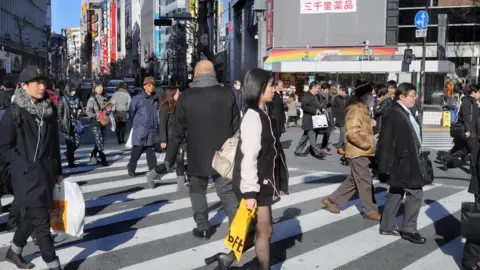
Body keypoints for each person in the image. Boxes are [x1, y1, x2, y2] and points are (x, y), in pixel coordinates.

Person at [204, 68, 289, 270]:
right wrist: (250, 192)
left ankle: (228, 258)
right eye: (270, 85)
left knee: (262, 229)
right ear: (259, 88)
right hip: (255, 184)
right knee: (264, 230)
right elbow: (249, 158)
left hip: (262, 182)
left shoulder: (263, 113)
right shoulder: (253, 117)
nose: (274, 89)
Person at [152, 60, 240, 239]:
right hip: (223, 155)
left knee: (197, 190)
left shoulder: (186, 96)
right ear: (214, 73)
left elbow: (177, 131)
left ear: (196, 75)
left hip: (196, 154)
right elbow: (236, 127)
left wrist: (169, 159)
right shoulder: (227, 94)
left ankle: (203, 226)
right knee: (227, 192)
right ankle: (238, 230)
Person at [0, 65, 62, 269]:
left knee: (33, 215)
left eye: (43, 82)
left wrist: (59, 172)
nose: (42, 86)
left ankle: (14, 251)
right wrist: (23, 164)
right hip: (25, 176)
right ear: (24, 86)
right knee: (42, 223)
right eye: (37, 83)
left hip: (47, 173)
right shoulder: (15, 111)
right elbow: (4, 146)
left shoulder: (49, 111)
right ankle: (53, 263)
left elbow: (54, 145)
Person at [323, 82, 381, 221]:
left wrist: (369, 122)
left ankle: (332, 200)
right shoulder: (355, 109)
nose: (373, 97)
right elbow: (352, 133)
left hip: (361, 150)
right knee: (365, 181)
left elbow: (359, 127)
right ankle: (370, 211)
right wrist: (366, 144)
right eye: (370, 94)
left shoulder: (361, 108)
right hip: (358, 150)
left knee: (355, 180)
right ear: (364, 96)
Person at [377, 82, 427, 244]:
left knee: (396, 191)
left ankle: (386, 225)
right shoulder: (393, 113)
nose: (415, 98)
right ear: (402, 96)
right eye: (412, 95)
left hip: (407, 160)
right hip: (403, 162)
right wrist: (384, 166)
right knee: (416, 193)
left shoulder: (406, 111)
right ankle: (409, 229)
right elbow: (385, 141)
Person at [146, 87, 187, 191]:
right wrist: (163, 140)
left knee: (180, 160)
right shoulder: (165, 107)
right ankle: (151, 175)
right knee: (169, 163)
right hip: (170, 139)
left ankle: (181, 184)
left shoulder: (180, 105)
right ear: (172, 95)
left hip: (180, 138)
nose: (180, 94)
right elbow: (162, 125)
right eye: (178, 92)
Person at [127, 76, 159, 179]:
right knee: (137, 151)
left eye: (153, 85)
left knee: (151, 153)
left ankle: (154, 171)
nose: (151, 87)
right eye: (149, 85)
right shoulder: (138, 99)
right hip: (140, 130)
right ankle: (131, 168)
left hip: (151, 130)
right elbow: (131, 113)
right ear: (144, 86)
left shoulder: (155, 99)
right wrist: (138, 124)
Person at [58, 83, 84, 167]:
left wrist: (80, 113)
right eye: (72, 90)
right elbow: (59, 113)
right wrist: (62, 122)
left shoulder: (77, 99)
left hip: (75, 124)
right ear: (68, 91)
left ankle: (68, 153)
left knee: (77, 143)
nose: (74, 92)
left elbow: (81, 109)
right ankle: (71, 161)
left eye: (74, 90)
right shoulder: (63, 100)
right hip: (66, 125)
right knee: (69, 144)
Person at [86, 81, 110, 166]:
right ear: (94, 88)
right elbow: (88, 111)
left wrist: (108, 110)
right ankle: (104, 159)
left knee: (100, 140)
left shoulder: (105, 97)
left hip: (103, 122)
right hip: (95, 123)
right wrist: (95, 116)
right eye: (98, 87)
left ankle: (93, 155)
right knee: (99, 141)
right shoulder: (92, 99)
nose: (100, 88)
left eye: (101, 87)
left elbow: (108, 108)